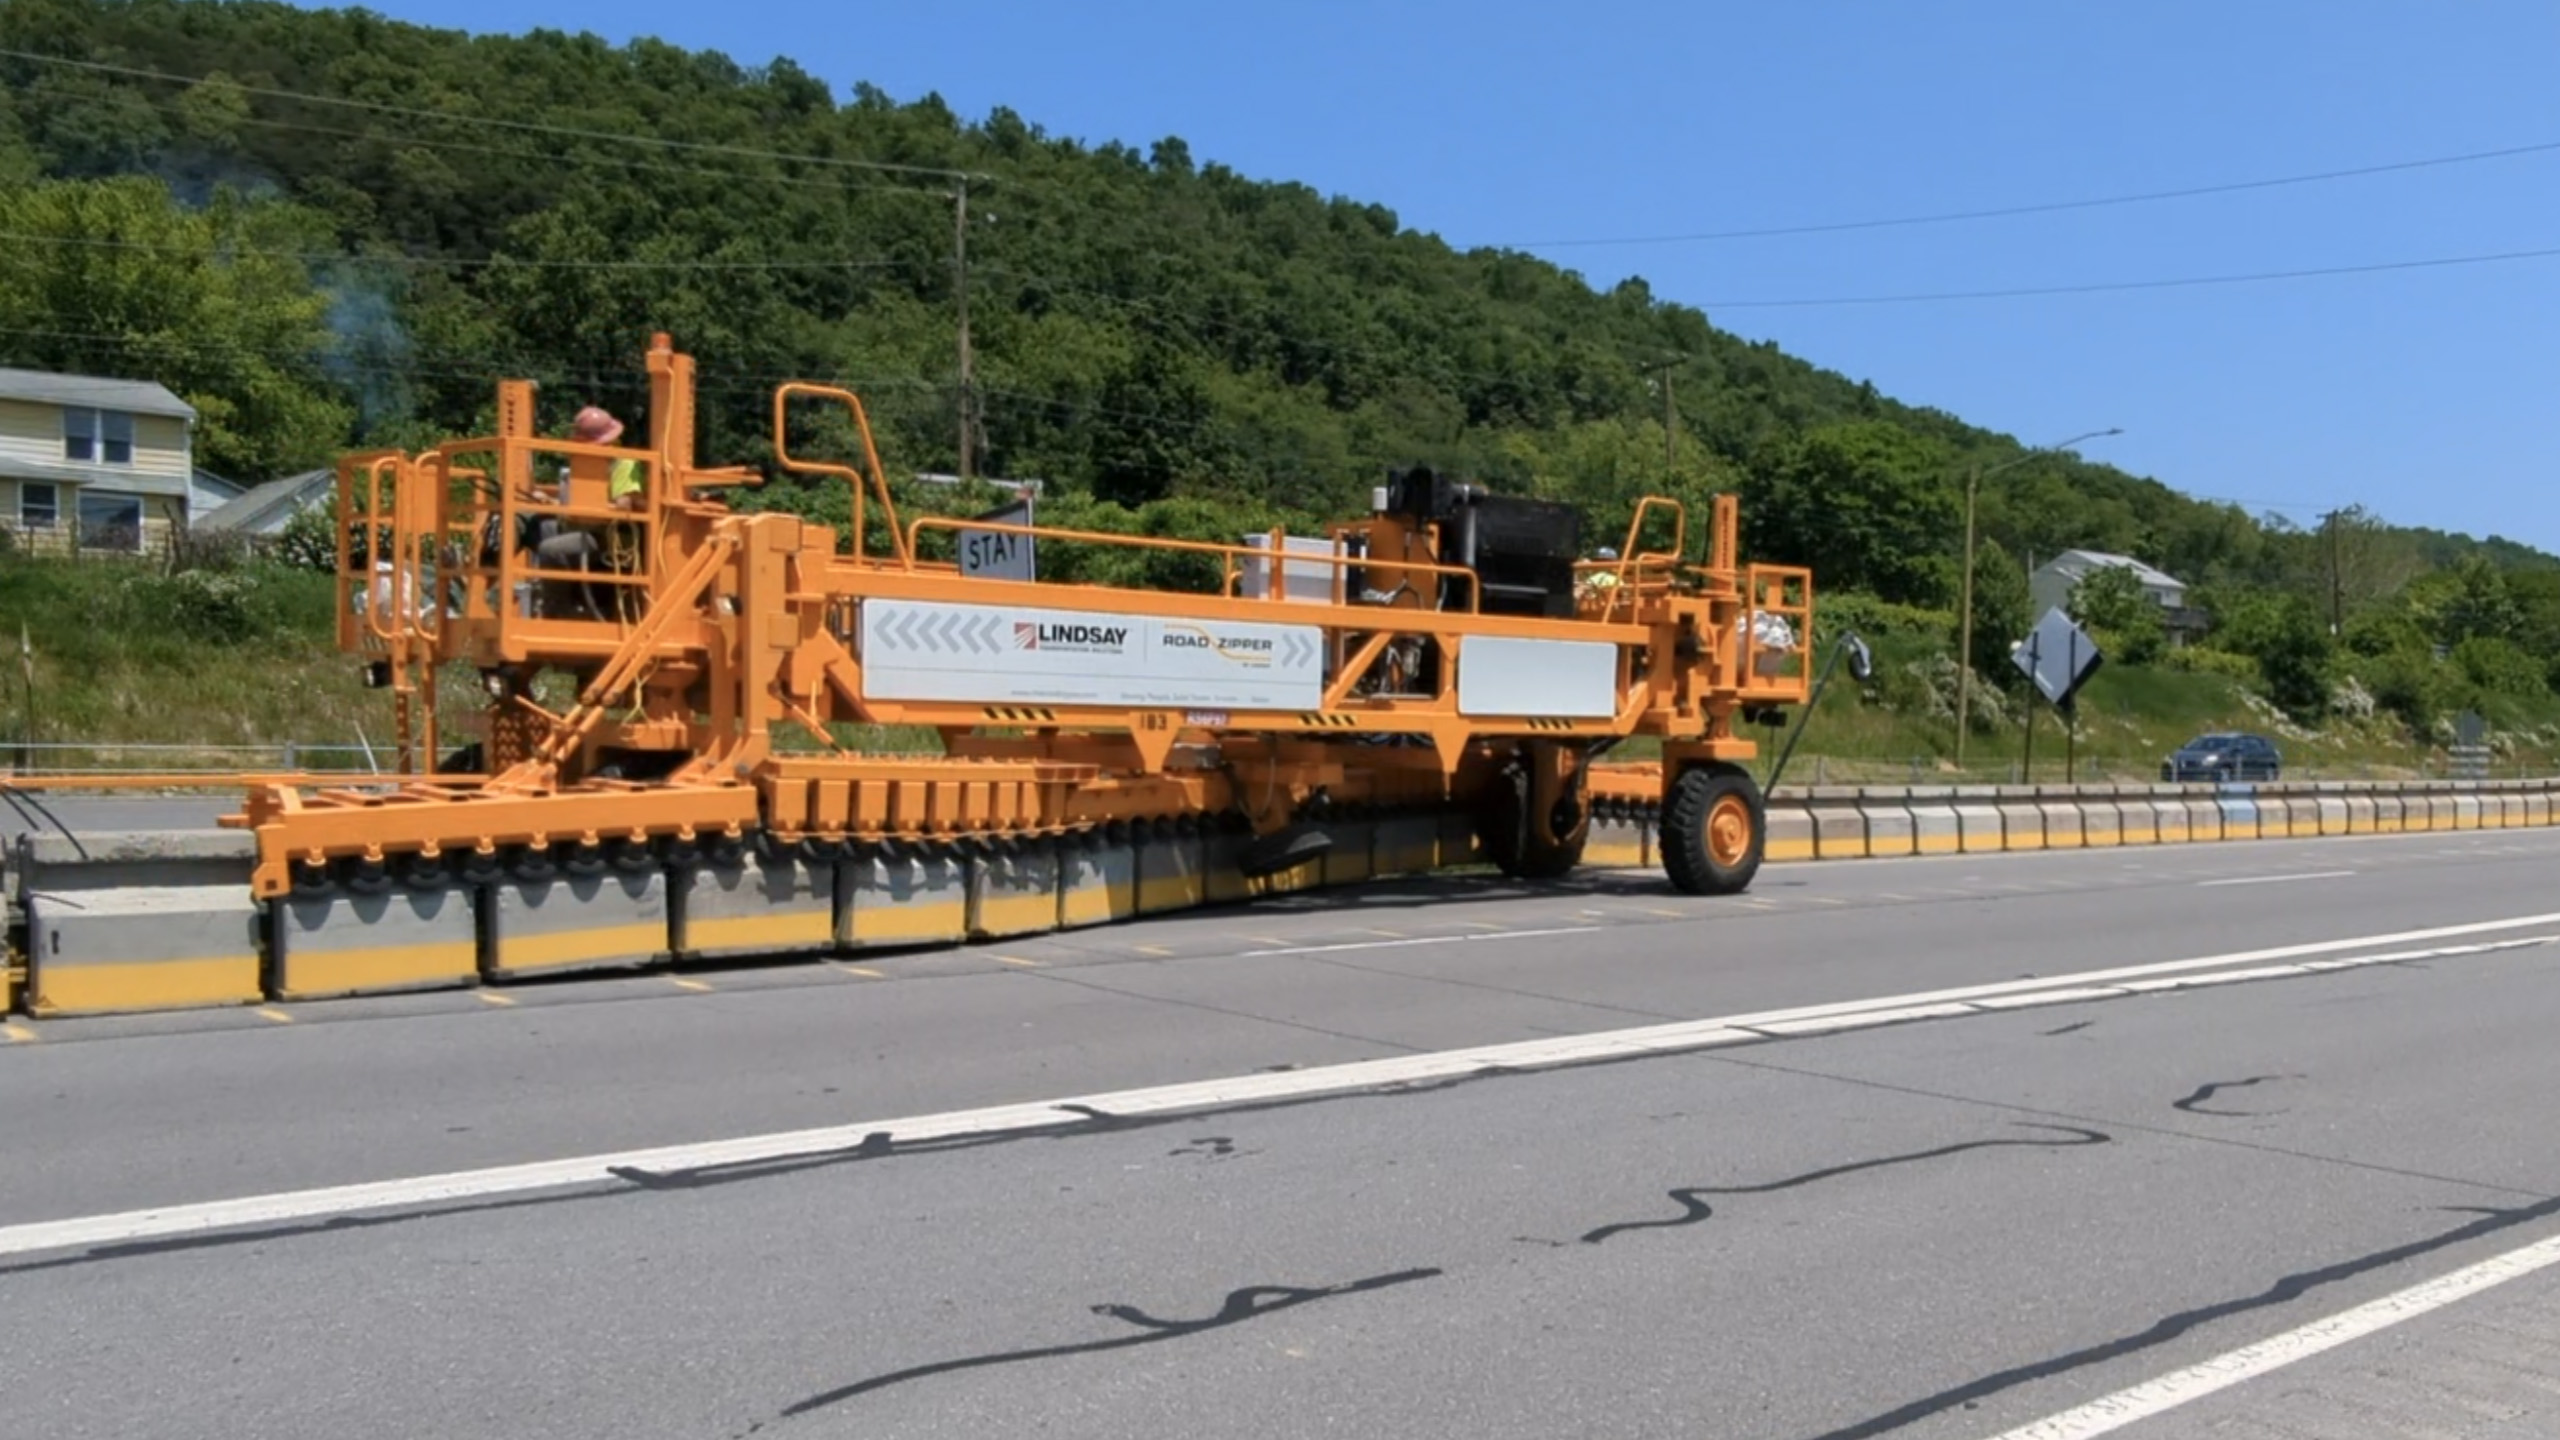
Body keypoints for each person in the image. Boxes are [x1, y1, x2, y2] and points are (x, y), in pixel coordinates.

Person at [528, 405, 646, 618]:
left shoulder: (624, 463)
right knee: (539, 524)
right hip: (583, 526)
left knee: (551, 549)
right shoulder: (587, 461)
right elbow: (577, 498)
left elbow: (624, 505)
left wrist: (595, 507)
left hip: (607, 536)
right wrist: (552, 503)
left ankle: (556, 613)